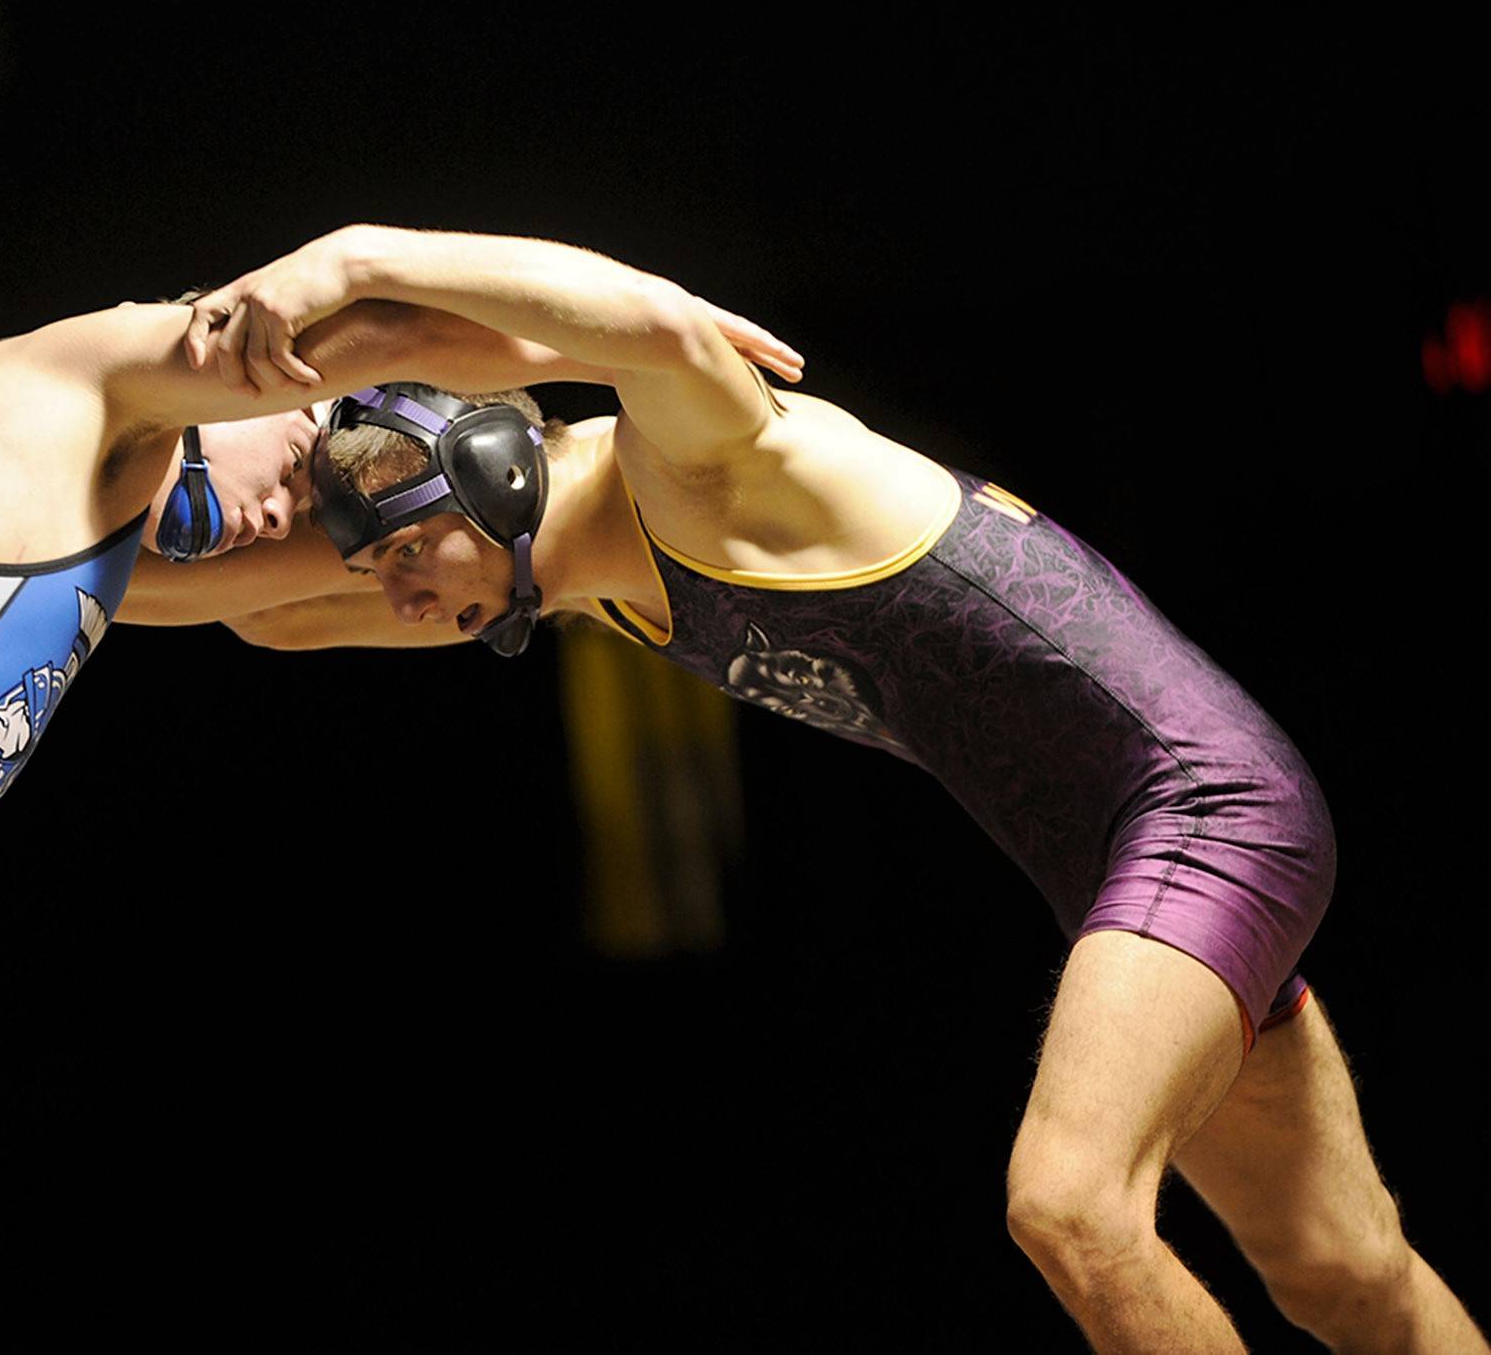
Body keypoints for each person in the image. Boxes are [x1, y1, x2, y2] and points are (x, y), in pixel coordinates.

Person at [126, 224, 1487, 1352]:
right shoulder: (599, 587)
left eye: (402, 553)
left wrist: (349, 263)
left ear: (490, 464)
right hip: (1134, 871)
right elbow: (266, 616)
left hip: (1204, 812)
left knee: (1071, 1206)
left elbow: (652, 329)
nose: (398, 596)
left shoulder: (699, 466)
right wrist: (30, 511)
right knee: (1344, 1273)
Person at [0, 287, 803, 1352]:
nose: (287, 507)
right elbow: (372, 326)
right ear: (235, 352)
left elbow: (299, 603)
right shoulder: (60, 382)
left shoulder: (70, 526)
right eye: (298, 456)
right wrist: (652, 351)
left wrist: (537, 546)